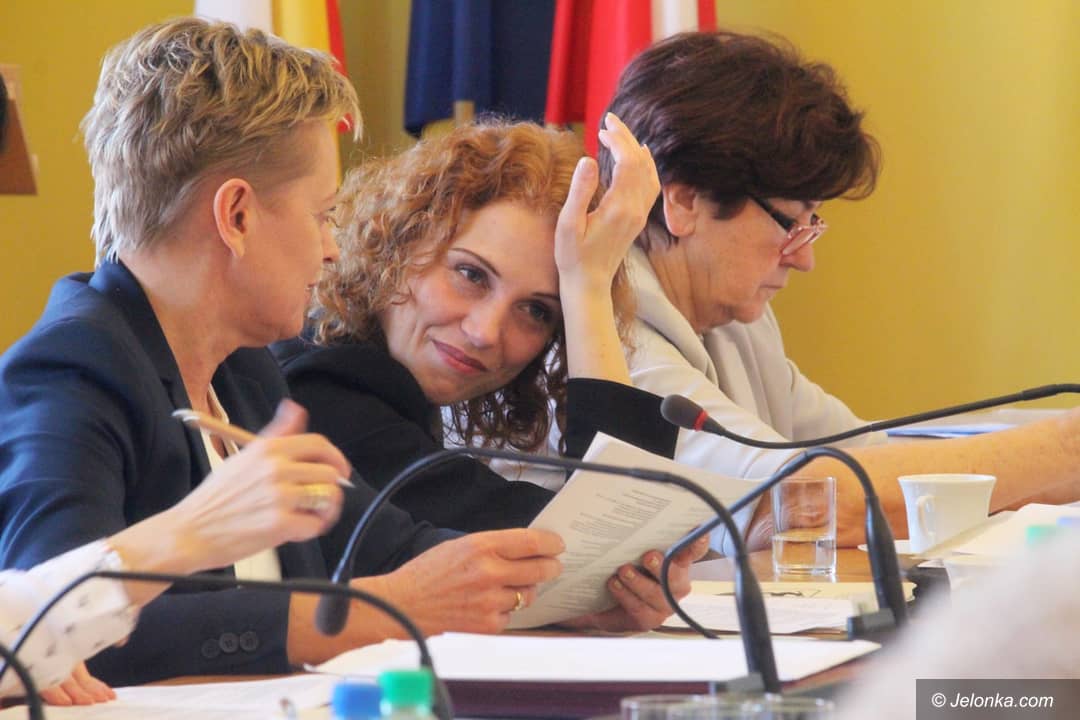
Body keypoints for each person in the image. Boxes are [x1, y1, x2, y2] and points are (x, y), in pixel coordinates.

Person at [0, 18, 688, 690]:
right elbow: (58, 625)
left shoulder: (245, 372)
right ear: (236, 216)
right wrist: (377, 610)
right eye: (322, 215)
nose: (333, 248)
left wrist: (572, 598)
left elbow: (393, 548)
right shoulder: (74, 366)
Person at [524, 30, 1080, 551]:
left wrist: (1056, 463)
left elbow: (876, 460)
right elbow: (800, 503)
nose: (805, 258)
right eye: (791, 223)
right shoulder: (607, 335)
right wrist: (1063, 447)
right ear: (684, 201)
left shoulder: (736, 321)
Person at [274, 118, 707, 630]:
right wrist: (588, 286)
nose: (485, 332)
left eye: (537, 311)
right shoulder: (319, 388)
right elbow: (598, 544)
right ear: (398, 242)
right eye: (471, 274)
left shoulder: (385, 385)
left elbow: (610, 548)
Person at [0, 400, 343, 703]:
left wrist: (46, 634)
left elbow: (30, 621)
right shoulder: (74, 367)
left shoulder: (246, 374)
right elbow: (42, 620)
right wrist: (193, 529)